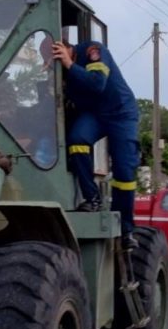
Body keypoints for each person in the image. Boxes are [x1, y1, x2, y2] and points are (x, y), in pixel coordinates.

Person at [49, 38, 140, 248]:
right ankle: (93, 199)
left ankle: (126, 230)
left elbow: (97, 84)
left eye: (54, 54)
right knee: (77, 140)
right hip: (96, 114)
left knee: (124, 174)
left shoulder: (92, 50)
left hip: (121, 114)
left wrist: (69, 65)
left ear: (64, 48)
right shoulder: (60, 69)